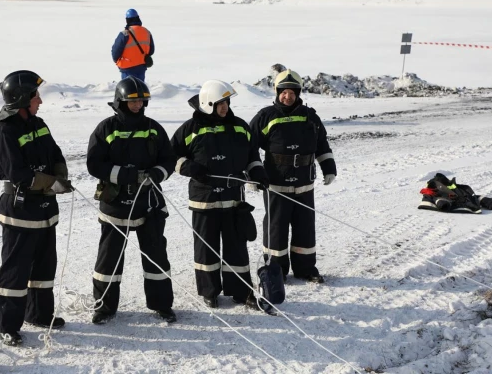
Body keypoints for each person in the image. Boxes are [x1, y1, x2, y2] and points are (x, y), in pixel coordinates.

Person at [0, 70, 73, 346]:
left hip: (45, 210)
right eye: (36, 96)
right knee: (16, 270)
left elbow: (55, 152)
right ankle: (6, 325)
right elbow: (18, 173)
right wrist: (51, 183)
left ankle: (38, 313)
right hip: (20, 211)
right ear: (22, 98)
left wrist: (60, 172)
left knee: (45, 266)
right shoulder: (4, 132)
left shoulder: (39, 124)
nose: (40, 101)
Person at [170, 80, 269, 310]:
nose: (224, 107)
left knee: (237, 249)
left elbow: (252, 155)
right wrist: (189, 167)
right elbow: (170, 155)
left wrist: (258, 173)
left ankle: (241, 291)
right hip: (204, 202)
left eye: (227, 102)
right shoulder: (190, 129)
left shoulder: (239, 127)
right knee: (207, 248)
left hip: (233, 200)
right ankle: (209, 291)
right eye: (219, 103)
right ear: (207, 104)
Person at [86, 76, 176, 324]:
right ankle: (104, 307)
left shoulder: (154, 127)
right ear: (120, 101)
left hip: (149, 203)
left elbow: (169, 160)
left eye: (142, 101)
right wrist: (125, 175)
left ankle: (162, 304)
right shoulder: (106, 128)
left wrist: (158, 173)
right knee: (109, 257)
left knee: (156, 255)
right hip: (115, 204)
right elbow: (94, 164)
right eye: (133, 101)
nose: (138, 106)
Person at [249, 69, 336, 284]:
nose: (287, 96)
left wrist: (329, 167)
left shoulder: (310, 116)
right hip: (276, 185)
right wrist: (252, 173)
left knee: (305, 227)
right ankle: (276, 270)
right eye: (283, 92)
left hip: (305, 184)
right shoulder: (266, 116)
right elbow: (249, 147)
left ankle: (305, 268)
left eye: (292, 92)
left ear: (298, 93)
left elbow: (321, 143)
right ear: (277, 92)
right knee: (276, 228)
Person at [111, 8, 155, 82]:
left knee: (129, 90)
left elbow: (115, 51)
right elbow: (151, 50)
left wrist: (117, 60)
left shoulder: (125, 33)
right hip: (141, 67)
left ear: (127, 20)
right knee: (140, 89)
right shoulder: (147, 32)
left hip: (127, 68)